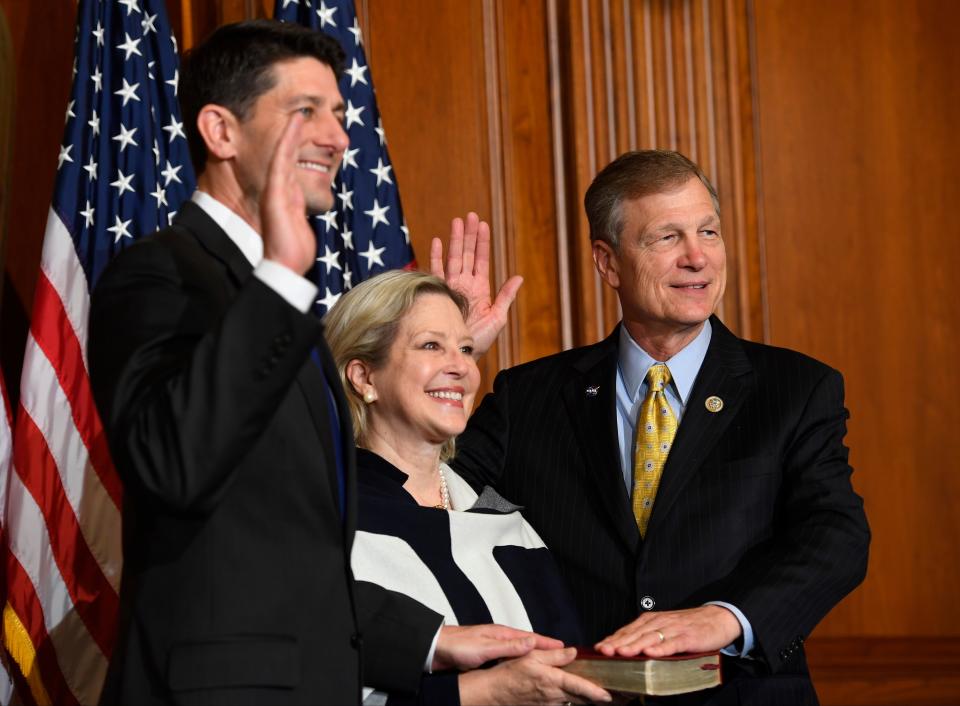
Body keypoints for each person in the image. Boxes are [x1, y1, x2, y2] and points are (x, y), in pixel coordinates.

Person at [88, 20, 552, 705]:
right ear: (221, 132)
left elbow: (288, 547)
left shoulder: (281, 308)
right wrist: (278, 277)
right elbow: (175, 465)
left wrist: (427, 640)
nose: (338, 137)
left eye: (338, 113)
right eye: (305, 111)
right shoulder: (161, 276)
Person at [444, 151, 871, 704]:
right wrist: (451, 357)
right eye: (667, 238)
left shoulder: (796, 388)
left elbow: (837, 536)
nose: (698, 258)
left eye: (708, 232)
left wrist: (726, 619)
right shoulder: (530, 396)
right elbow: (425, 501)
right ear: (608, 263)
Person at [324, 270, 611, 706]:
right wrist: (484, 694)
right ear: (364, 377)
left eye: (466, 349)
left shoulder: (503, 521)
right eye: (430, 345)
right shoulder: (326, 522)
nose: (461, 366)